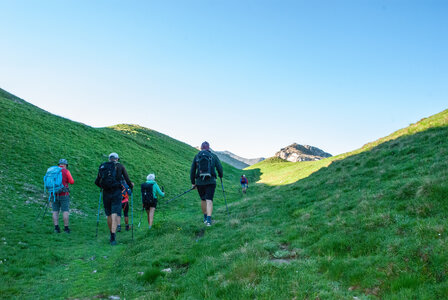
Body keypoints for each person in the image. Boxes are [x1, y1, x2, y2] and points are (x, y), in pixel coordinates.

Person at [95, 153, 133, 245]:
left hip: (106, 193)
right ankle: (113, 236)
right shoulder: (120, 166)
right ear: (117, 159)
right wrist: (131, 188)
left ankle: (111, 235)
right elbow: (127, 180)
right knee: (114, 213)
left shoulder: (103, 166)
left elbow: (96, 181)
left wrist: (103, 187)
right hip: (116, 192)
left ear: (109, 159)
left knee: (108, 214)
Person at [190, 141, 223, 226]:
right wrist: (220, 175)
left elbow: (192, 170)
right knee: (209, 200)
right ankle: (209, 220)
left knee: (203, 199)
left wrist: (193, 183)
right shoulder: (213, 156)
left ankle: (205, 218)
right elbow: (220, 168)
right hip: (211, 181)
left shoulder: (197, 156)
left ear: (201, 148)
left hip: (200, 182)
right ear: (209, 147)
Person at [52, 159, 75, 233]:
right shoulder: (66, 171)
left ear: (59, 164)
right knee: (65, 211)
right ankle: (66, 228)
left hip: (54, 194)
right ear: (65, 165)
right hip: (64, 194)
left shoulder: (53, 171)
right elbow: (72, 182)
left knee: (55, 211)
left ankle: (56, 228)